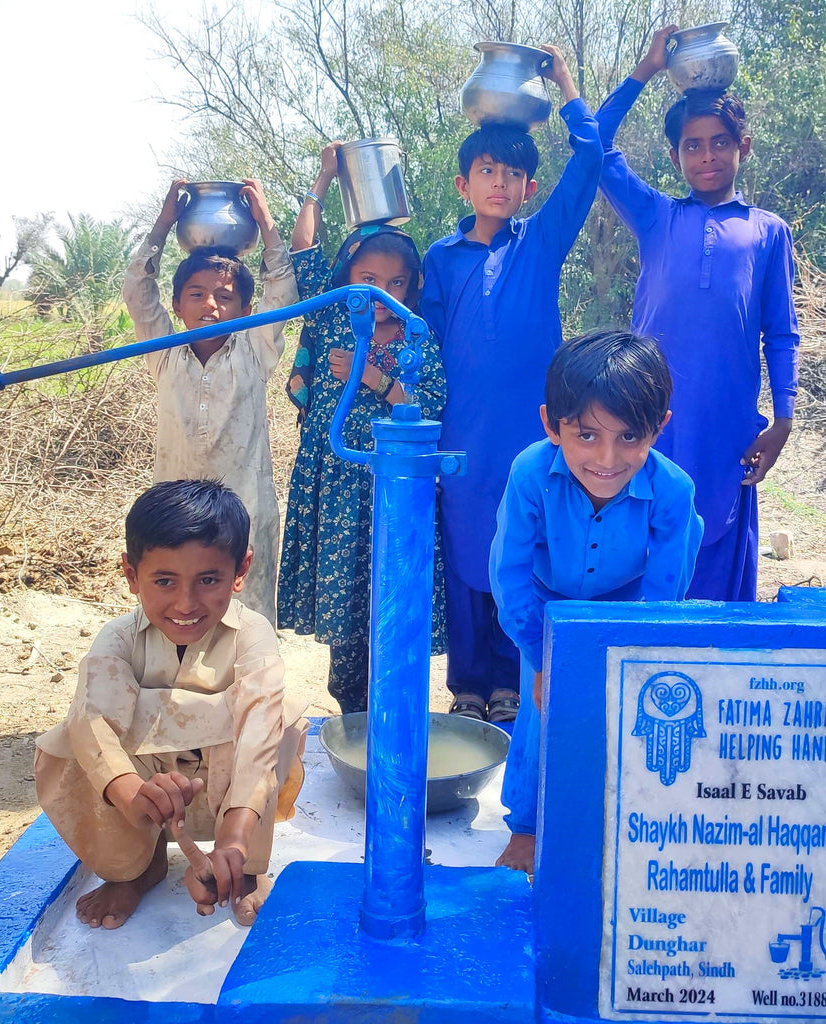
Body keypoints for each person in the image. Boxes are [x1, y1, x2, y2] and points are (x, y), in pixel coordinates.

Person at [422, 44, 603, 725]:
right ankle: (469, 682)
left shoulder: (541, 240)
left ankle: (511, 677)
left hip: (532, 432)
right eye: (486, 170)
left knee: (521, 545)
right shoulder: (440, 258)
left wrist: (564, 86)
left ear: (529, 187)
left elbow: (589, 162)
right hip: (463, 433)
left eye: (513, 173)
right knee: (467, 552)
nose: (500, 182)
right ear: (464, 183)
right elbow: (428, 350)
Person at [35, 479, 308, 928]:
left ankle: (246, 869)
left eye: (208, 580)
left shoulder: (253, 634)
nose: (186, 603)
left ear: (241, 570)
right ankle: (137, 868)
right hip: (145, 789)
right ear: (131, 574)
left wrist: (236, 840)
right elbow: (94, 722)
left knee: (279, 724)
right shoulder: (118, 639)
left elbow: (260, 727)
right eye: (164, 581)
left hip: (228, 786)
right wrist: (127, 791)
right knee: (74, 738)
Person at [594, 27, 800, 601]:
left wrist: (782, 419)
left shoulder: (767, 232)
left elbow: (781, 334)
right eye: (692, 145)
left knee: (717, 534)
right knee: (644, 533)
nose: (706, 156)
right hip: (650, 411)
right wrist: (644, 69)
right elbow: (594, 145)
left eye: (719, 143)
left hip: (726, 418)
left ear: (743, 147)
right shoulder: (656, 216)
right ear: (674, 154)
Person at [490, 330, 703, 873]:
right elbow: (510, 574)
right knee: (542, 711)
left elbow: (661, 596)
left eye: (630, 436)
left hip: (630, 601)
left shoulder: (673, 491)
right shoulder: (531, 474)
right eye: (586, 435)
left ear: (660, 429)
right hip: (545, 605)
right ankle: (528, 827)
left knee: (632, 708)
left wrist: (636, 654)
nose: (607, 458)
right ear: (551, 425)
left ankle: (628, 813)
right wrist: (543, 656)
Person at [276, 142, 447, 714]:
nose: (381, 294)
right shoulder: (331, 317)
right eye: (367, 279)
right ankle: (351, 711)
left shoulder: (420, 341)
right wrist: (323, 178)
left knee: (394, 600)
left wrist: (374, 378)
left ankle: (397, 710)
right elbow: (304, 249)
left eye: (395, 283)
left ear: (411, 287)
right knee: (346, 606)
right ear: (348, 279)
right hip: (336, 484)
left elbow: (429, 413)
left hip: (394, 491)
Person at [123, 178, 297, 625]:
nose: (211, 306)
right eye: (197, 295)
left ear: (243, 309)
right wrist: (163, 225)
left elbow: (281, 290)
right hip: (174, 515)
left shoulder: (255, 350)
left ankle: (244, 693)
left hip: (244, 512)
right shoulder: (163, 354)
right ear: (178, 304)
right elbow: (138, 291)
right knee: (177, 614)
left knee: (245, 621)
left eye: (225, 297)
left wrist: (265, 222)